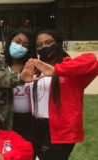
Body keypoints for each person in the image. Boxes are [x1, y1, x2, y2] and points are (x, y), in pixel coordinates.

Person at [20, 29, 98, 160]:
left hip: (60, 130)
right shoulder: (35, 69)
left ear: (58, 43)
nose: (44, 47)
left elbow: (92, 61)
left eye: (48, 42)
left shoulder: (70, 68)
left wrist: (57, 70)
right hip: (36, 126)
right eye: (39, 45)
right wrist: (21, 79)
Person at [0, 27, 36, 141]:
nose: (20, 46)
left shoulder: (33, 65)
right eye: (17, 41)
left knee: (27, 153)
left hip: (30, 121)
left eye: (25, 45)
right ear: (10, 41)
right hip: (5, 120)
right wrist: (20, 78)